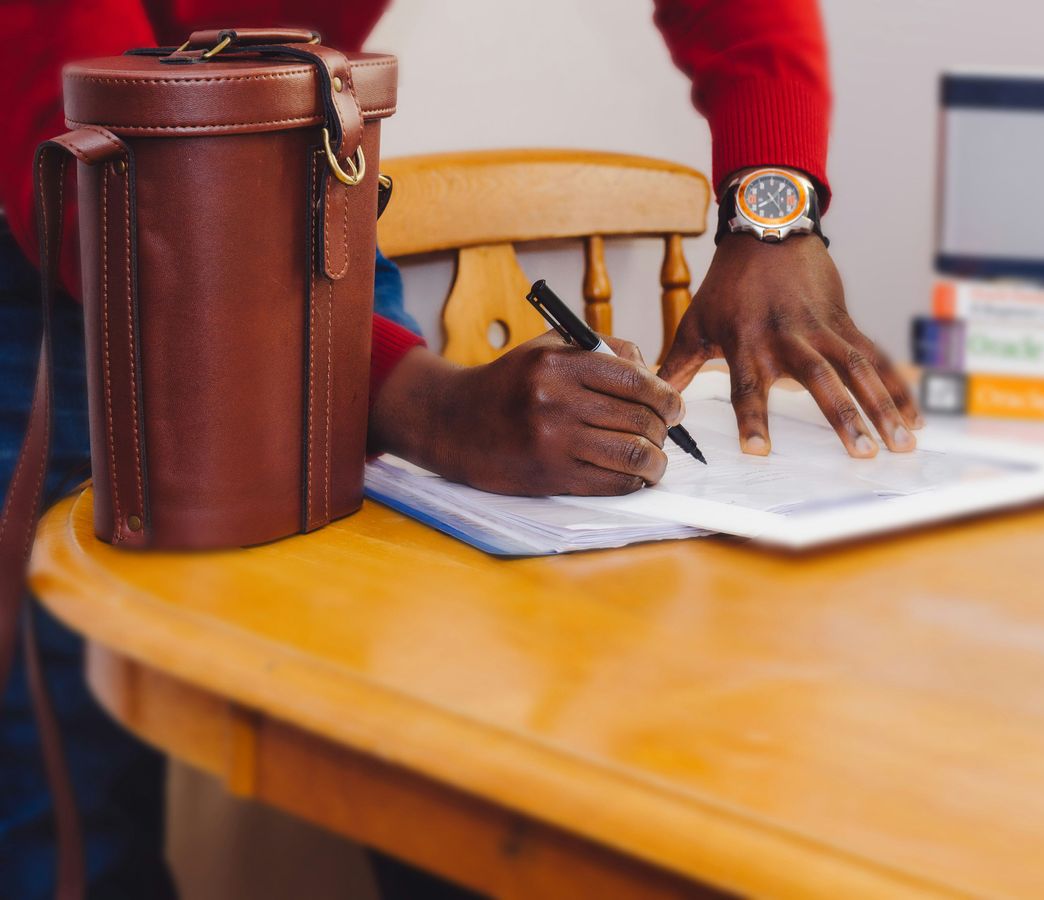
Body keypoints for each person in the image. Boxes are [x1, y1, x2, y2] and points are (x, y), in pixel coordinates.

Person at [0, 0, 921, 897]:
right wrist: (432, 411)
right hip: (67, 214)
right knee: (62, 785)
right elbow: (78, 159)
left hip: (292, 192)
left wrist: (773, 212)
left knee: (412, 707)